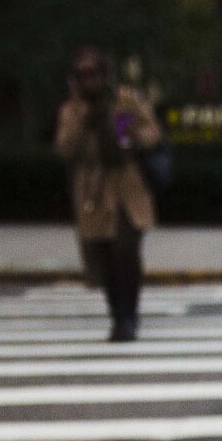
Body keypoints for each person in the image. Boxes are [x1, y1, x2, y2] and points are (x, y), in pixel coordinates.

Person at [54, 47, 163, 342]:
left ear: (105, 74)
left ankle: (128, 315)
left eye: (94, 73)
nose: (89, 80)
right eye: (82, 75)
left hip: (126, 186)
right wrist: (82, 120)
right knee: (103, 258)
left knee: (126, 250)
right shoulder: (73, 110)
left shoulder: (123, 100)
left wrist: (129, 135)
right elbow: (65, 149)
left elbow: (150, 132)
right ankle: (117, 314)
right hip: (93, 188)